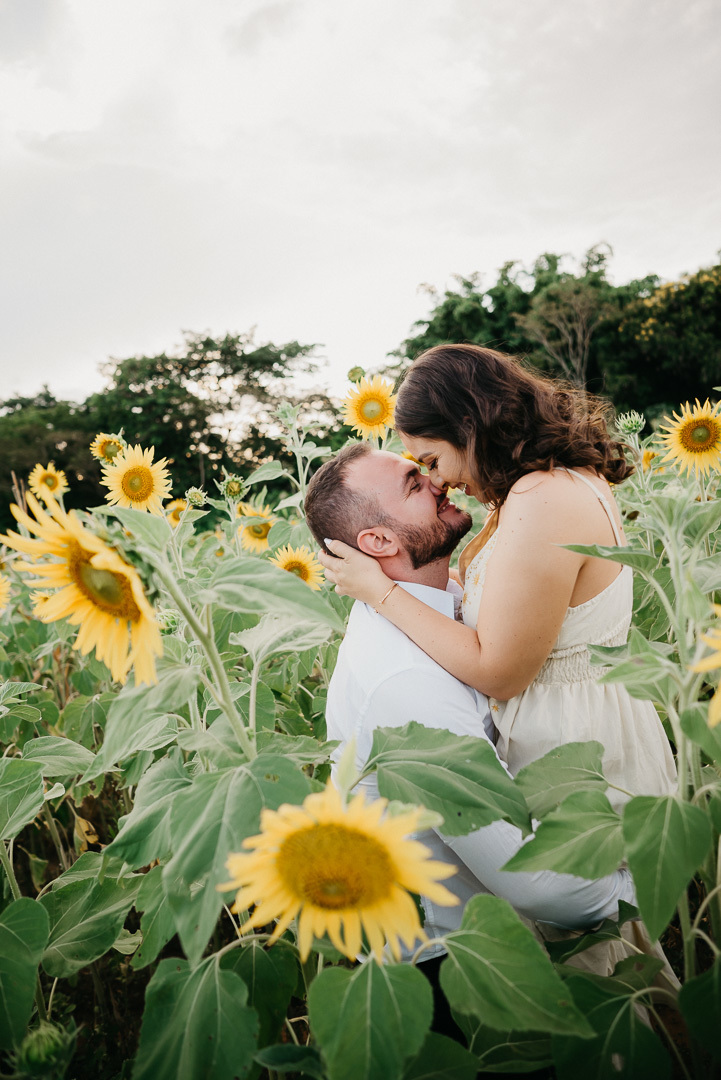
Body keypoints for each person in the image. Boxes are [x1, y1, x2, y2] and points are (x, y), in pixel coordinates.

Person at [304, 444, 639, 984]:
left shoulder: (436, 611)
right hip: (451, 969)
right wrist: (647, 888)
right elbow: (531, 881)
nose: (438, 480)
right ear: (380, 541)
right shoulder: (405, 682)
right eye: (415, 484)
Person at [318, 345, 677, 808]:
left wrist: (381, 592)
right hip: (573, 744)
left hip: (583, 758)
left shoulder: (542, 499)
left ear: (468, 428)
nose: (440, 480)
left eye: (431, 460)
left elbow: (499, 673)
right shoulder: (536, 485)